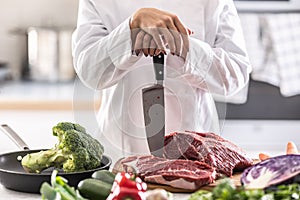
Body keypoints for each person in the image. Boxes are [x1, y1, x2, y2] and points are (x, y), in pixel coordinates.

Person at [72, 0, 252, 161]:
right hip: (120, 157)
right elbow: (89, 71)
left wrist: (182, 45)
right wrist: (130, 32)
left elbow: (237, 73)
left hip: (196, 158)